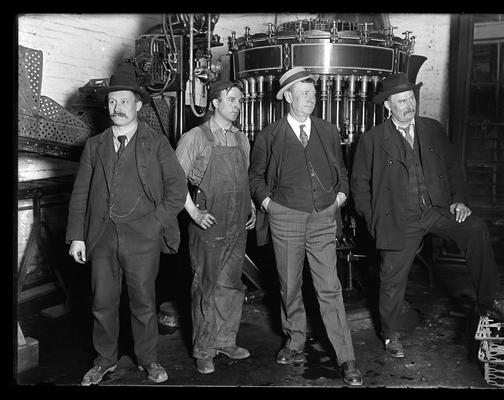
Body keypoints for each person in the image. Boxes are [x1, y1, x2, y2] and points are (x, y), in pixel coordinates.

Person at [350, 72, 504, 359]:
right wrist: (373, 219)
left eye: (411, 98)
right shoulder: (372, 140)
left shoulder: (431, 128)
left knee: (476, 229)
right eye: (401, 101)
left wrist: (459, 201)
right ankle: (391, 334)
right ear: (387, 106)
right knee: (391, 278)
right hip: (399, 219)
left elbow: (454, 167)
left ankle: (487, 301)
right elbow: (359, 184)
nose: (409, 105)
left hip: (436, 210)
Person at [66, 62, 188, 385]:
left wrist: (154, 223)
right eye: (112, 102)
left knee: (143, 303)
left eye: (124, 101)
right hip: (102, 236)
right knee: (102, 302)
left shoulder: (156, 143)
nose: (117, 108)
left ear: (138, 104)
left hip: (142, 237)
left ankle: (148, 359)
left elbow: (178, 190)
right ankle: (104, 359)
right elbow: (80, 194)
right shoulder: (95, 146)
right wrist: (77, 237)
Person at [249, 67, 363, 386]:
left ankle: (346, 358)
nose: (312, 98)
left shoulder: (327, 130)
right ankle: (295, 340)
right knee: (289, 285)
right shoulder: (269, 135)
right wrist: (269, 205)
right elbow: (256, 177)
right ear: (287, 96)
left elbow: (340, 169)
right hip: (285, 217)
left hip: (324, 217)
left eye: (313, 92)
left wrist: (340, 196)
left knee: (330, 286)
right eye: (304, 92)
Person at [175, 80, 256, 374]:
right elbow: (174, 181)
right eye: (232, 100)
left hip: (237, 223)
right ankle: (204, 348)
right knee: (206, 285)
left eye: (239, 100)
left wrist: (250, 207)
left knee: (231, 284)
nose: (237, 105)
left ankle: (225, 339)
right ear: (214, 103)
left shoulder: (241, 139)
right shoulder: (195, 138)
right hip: (208, 222)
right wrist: (194, 212)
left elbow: (244, 178)